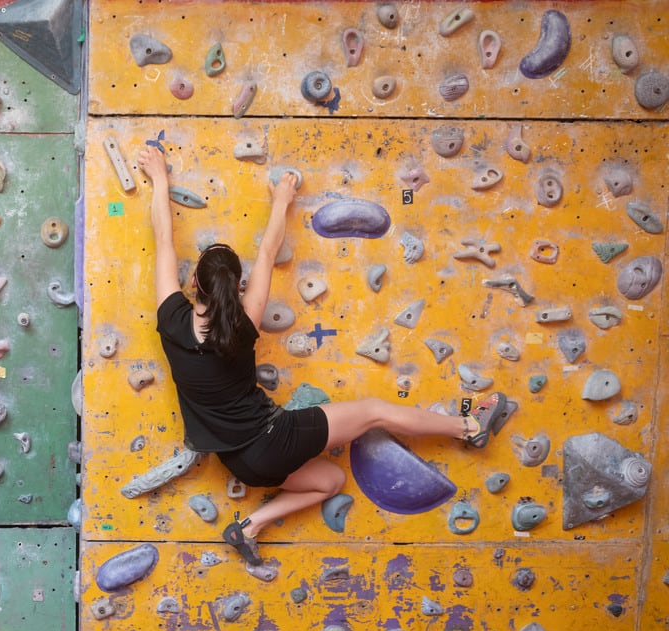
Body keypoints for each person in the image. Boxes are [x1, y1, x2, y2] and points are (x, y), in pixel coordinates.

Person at [136, 144, 505, 565]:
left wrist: (160, 177)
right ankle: (468, 426)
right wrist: (282, 199)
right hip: (272, 442)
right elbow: (270, 252)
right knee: (373, 411)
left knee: (330, 480)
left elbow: (163, 239)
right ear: (234, 288)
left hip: (238, 462)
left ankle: (249, 527)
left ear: (195, 286)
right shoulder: (245, 322)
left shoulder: (171, 318)